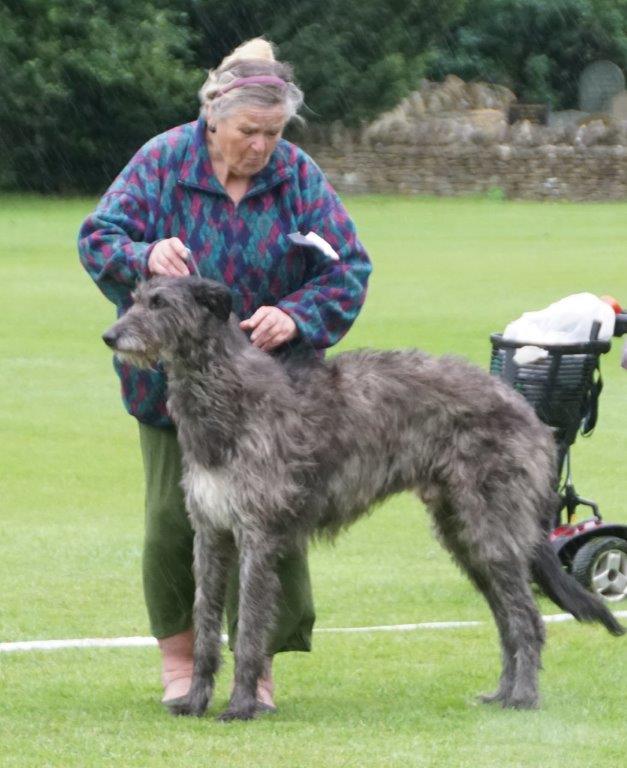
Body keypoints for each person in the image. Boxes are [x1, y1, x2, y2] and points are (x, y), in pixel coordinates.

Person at [78, 37, 372, 710]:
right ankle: (181, 664)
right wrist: (146, 254)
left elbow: (348, 268)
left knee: (270, 525)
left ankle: (255, 669)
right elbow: (98, 238)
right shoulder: (161, 161)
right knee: (170, 524)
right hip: (174, 386)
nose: (261, 146)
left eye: (272, 133)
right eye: (248, 131)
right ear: (214, 115)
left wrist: (296, 317)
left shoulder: (296, 175)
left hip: (275, 390)